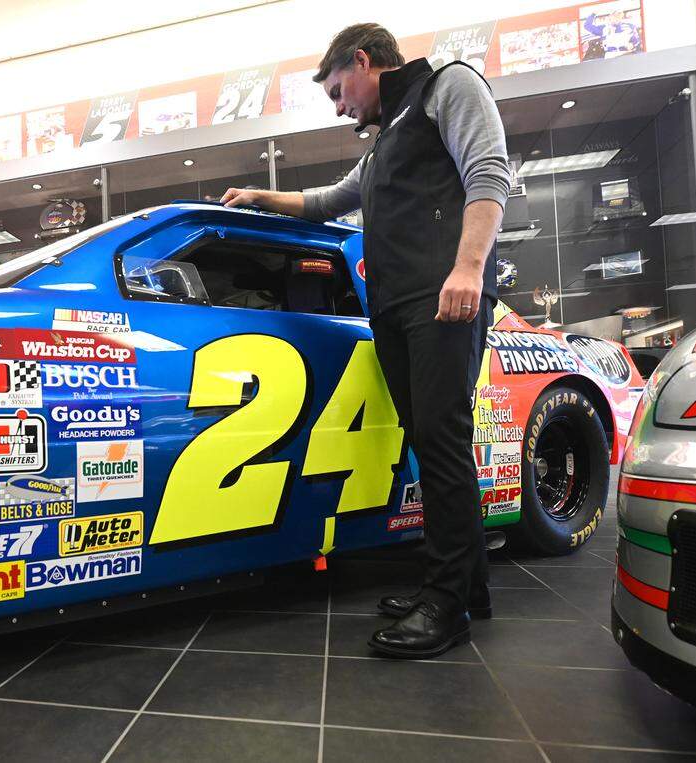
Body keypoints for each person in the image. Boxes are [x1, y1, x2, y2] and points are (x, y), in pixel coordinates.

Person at [221, 22, 510, 659]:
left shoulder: (447, 87)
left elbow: (490, 174)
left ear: (362, 61)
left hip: (444, 294)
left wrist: (467, 269)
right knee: (427, 443)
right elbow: (331, 200)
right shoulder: (385, 141)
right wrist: (261, 196)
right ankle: (468, 586)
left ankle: (447, 603)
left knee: (440, 443)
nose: (339, 104)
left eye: (336, 89)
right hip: (398, 304)